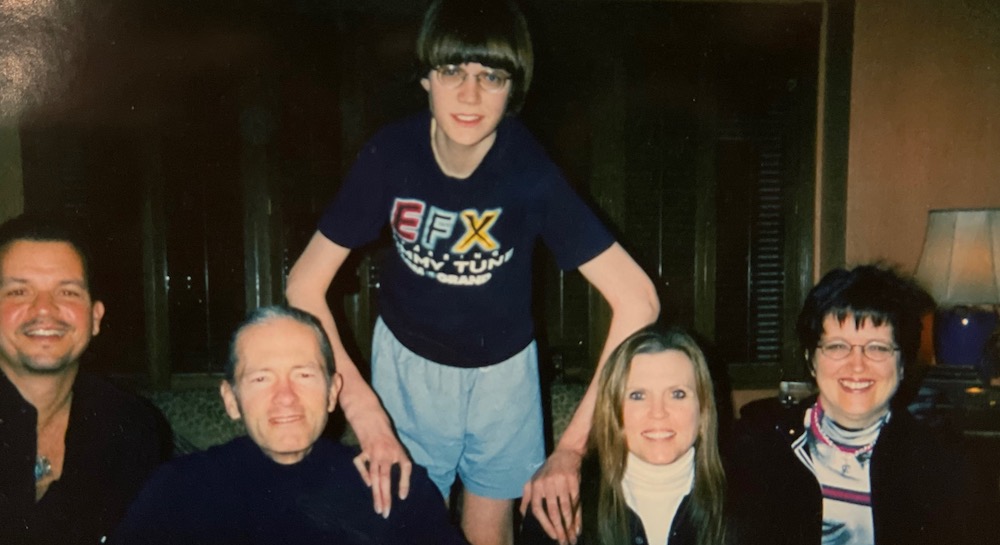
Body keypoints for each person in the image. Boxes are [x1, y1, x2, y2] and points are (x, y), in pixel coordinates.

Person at [285, 1, 659, 543]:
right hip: (409, 366)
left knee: (490, 535)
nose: (469, 95)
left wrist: (573, 448)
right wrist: (363, 410)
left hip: (504, 373)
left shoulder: (528, 170)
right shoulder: (390, 155)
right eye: (452, 71)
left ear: (514, 91)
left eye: (491, 76)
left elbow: (639, 301)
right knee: (405, 528)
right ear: (425, 78)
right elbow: (303, 285)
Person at [112, 305, 468, 545]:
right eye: (261, 379)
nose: (286, 396)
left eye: (304, 375)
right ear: (231, 399)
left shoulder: (396, 487)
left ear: (333, 392)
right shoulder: (177, 491)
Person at [727, 264, 989, 545]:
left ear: (902, 365)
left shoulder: (943, 464)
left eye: (878, 347)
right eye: (837, 346)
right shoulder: (755, 447)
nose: (857, 365)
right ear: (811, 360)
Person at [0, 213, 171, 545]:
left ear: (95, 318)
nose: (44, 309)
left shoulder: (132, 427)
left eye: (67, 292)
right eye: (19, 291)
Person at [521, 326, 729, 545]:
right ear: (614, 412)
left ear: (703, 410)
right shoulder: (560, 505)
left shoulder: (750, 503)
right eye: (638, 395)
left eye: (677, 394)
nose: (658, 412)